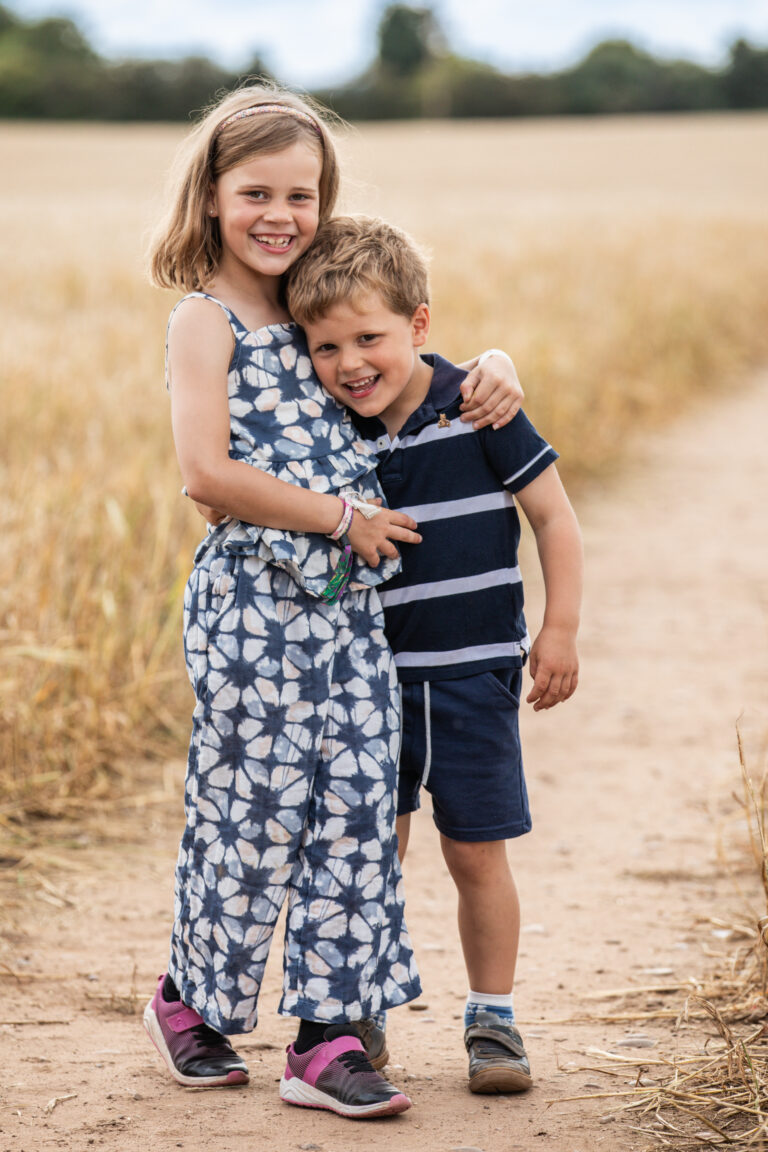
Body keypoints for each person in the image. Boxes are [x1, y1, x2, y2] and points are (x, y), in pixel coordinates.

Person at [143, 83, 525, 1120]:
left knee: (356, 816)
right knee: (250, 818)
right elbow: (204, 473)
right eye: (255, 192)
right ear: (212, 198)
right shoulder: (205, 319)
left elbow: (403, 367)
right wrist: (337, 519)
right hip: (254, 617)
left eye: (301, 194)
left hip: (354, 620)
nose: (280, 214)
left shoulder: (321, 313)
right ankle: (192, 1002)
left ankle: (329, 1037)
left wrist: (490, 366)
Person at [285, 214, 583, 1095]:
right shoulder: (330, 431)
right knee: (374, 852)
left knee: (476, 853)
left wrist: (559, 629)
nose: (349, 364)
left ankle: (493, 1019)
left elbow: (554, 518)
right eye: (326, 345)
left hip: (474, 677)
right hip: (369, 688)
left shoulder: (481, 404)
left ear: (419, 325)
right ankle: (360, 1007)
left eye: (368, 338)